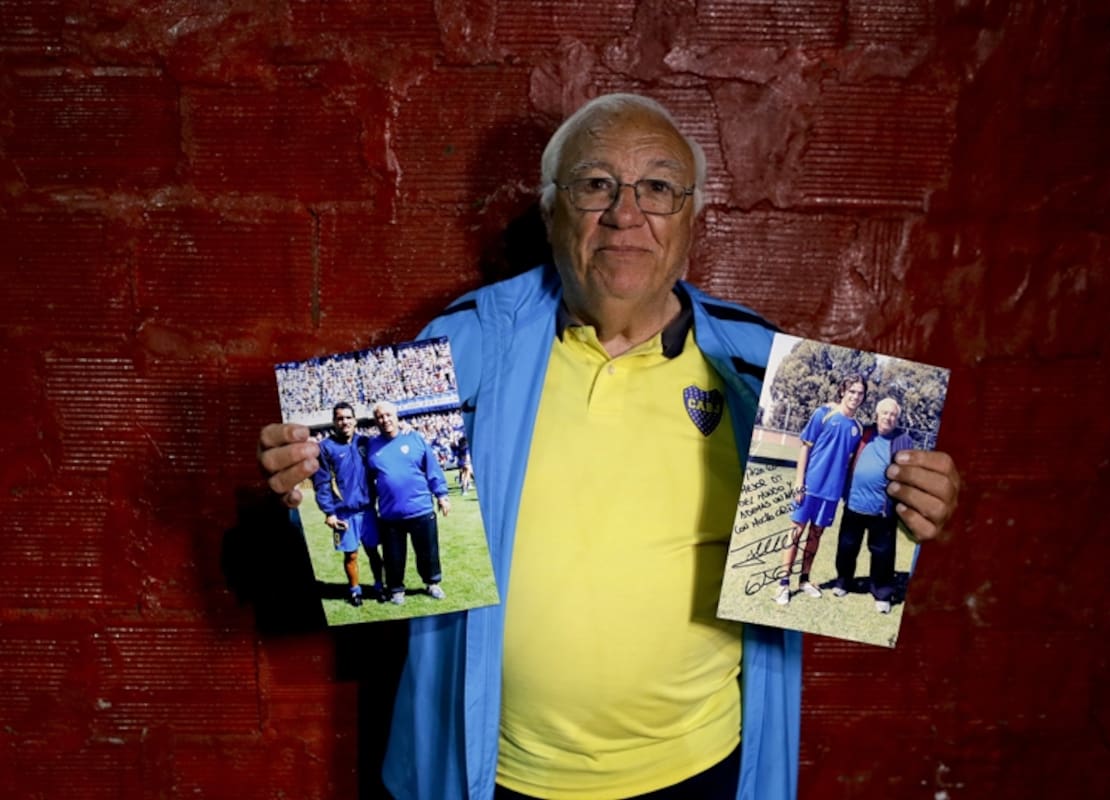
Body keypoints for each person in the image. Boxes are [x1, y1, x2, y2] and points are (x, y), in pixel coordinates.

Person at [258, 93, 961, 800]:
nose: (626, 214)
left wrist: (913, 497)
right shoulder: (460, 351)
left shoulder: (763, 375)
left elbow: (833, 543)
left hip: (701, 770)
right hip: (493, 775)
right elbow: (368, 516)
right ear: (551, 210)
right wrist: (303, 490)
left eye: (658, 187)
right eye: (595, 184)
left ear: (692, 218)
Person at [774, 374, 866, 604]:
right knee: (795, 532)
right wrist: (799, 482)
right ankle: (783, 584)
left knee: (815, 536)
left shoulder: (857, 428)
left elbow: (850, 460)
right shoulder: (823, 413)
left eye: (860, 393)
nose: (855, 396)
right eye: (852, 391)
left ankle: (804, 580)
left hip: (831, 494)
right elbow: (805, 447)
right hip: (810, 487)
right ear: (843, 391)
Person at [831, 397, 915, 614]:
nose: (888, 417)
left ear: (897, 418)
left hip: (882, 510)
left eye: (893, 414)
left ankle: (882, 593)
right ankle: (843, 582)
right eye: (885, 413)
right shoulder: (863, 432)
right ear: (877, 414)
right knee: (847, 547)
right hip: (854, 504)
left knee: (883, 554)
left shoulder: (903, 440)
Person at [366, 401, 453, 605]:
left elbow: (432, 468)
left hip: (420, 508)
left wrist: (442, 495)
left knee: (428, 551)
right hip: (390, 514)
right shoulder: (370, 446)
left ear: (397, 416)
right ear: (375, 421)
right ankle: (396, 589)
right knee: (393, 556)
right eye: (380, 416)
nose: (385, 419)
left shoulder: (414, 438)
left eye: (388, 415)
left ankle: (432, 583)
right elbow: (368, 479)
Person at [312, 401, 384, 606]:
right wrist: (329, 512)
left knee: (373, 551)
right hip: (344, 513)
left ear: (355, 420)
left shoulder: (365, 442)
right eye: (340, 418)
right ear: (334, 422)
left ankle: (380, 586)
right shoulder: (325, 448)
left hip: (368, 510)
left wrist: (404, 430)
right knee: (351, 554)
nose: (344, 422)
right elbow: (322, 482)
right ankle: (355, 591)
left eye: (348, 418)